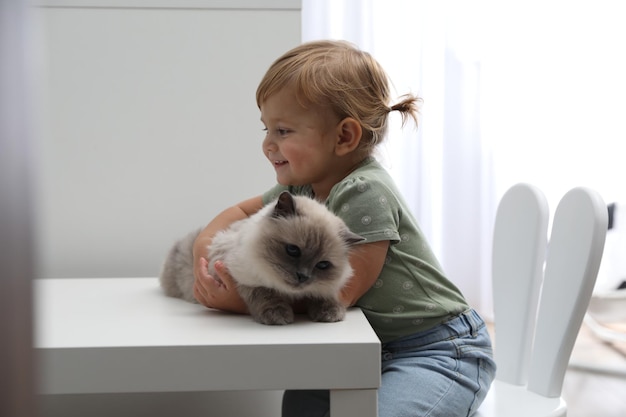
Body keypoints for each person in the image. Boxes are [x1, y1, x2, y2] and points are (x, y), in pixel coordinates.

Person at [192, 39, 496, 417]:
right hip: (358, 348)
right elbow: (240, 210)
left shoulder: (365, 190)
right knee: (299, 405)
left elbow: (337, 298)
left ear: (344, 137)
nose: (268, 145)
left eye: (283, 131)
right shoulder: (299, 190)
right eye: (265, 130)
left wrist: (241, 301)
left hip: (434, 348)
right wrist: (203, 249)